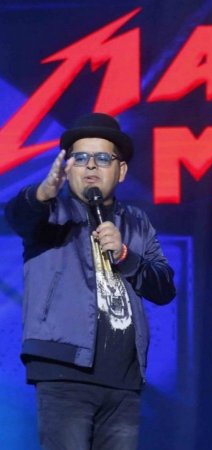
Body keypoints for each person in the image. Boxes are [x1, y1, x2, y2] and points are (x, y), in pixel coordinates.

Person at [4, 112, 177, 450]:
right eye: (80, 158)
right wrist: (42, 193)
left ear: (121, 170)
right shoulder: (52, 213)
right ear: (68, 168)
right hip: (64, 373)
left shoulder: (137, 222)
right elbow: (18, 216)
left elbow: (164, 287)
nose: (91, 166)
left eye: (102, 158)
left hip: (123, 382)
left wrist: (125, 255)